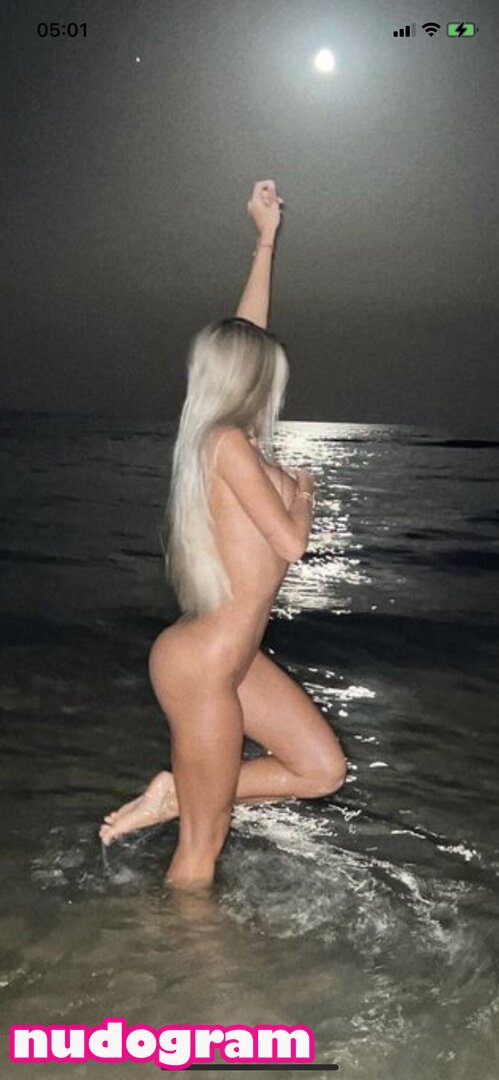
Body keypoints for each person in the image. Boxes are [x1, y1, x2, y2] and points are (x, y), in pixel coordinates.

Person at [99, 180, 347, 888]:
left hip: (234, 659)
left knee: (320, 769)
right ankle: (187, 948)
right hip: (203, 665)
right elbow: (291, 544)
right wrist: (305, 491)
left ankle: (181, 791)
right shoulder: (226, 444)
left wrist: (265, 238)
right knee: (200, 852)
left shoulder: (237, 439)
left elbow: (245, 335)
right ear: (251, 379)